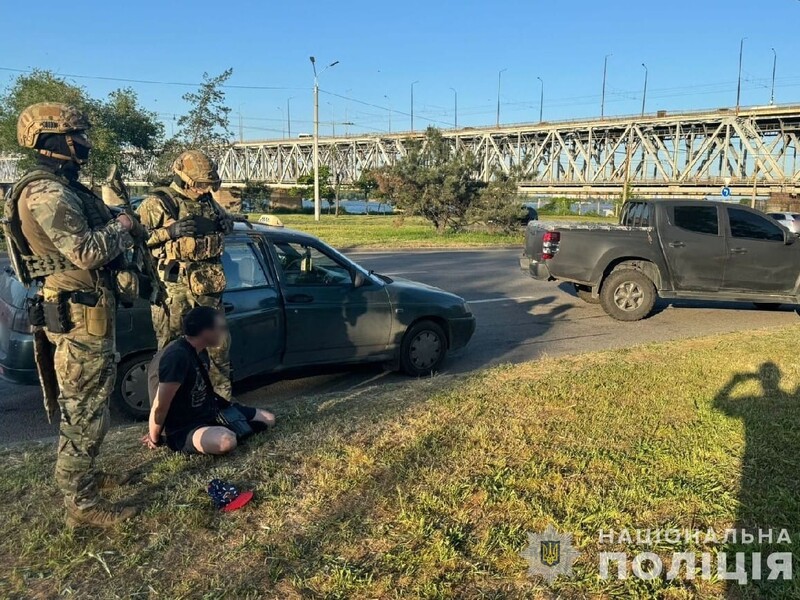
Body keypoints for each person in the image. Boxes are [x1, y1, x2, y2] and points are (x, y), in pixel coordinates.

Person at [8, 103, 141, 527]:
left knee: (91, 405)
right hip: (77, 314)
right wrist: (121, 225)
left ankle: (88, 477)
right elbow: (83, 252)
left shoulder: (63, 186)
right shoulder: (46, 193)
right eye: (78, 135)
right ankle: (81, 506)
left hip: (85, 310)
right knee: (82, 411)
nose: (85, 143)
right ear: (56, 139)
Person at [137, 151, 235, 401]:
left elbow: (227, 223)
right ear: (183, 179)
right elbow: (135, 240)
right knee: (169, 352)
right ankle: (164, 414)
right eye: (200, 185)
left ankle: (221, 405)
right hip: (173, 290)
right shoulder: (158, 203)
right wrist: (170, 232)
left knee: (220, 347)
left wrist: (226, 225)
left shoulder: (208, 202)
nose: (205, 191)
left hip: (208, 286)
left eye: (209, 185)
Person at [144, 306, 275, 455]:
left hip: (207, 411)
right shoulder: (176, 357)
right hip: (183, 425)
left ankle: (232, 428)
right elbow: (160, 405)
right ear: (206, 332)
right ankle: (230, 430)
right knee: (226, 441)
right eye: (221, 328)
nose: (224, 333)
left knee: (269, 419)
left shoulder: (201, 350)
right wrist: (154, 438)